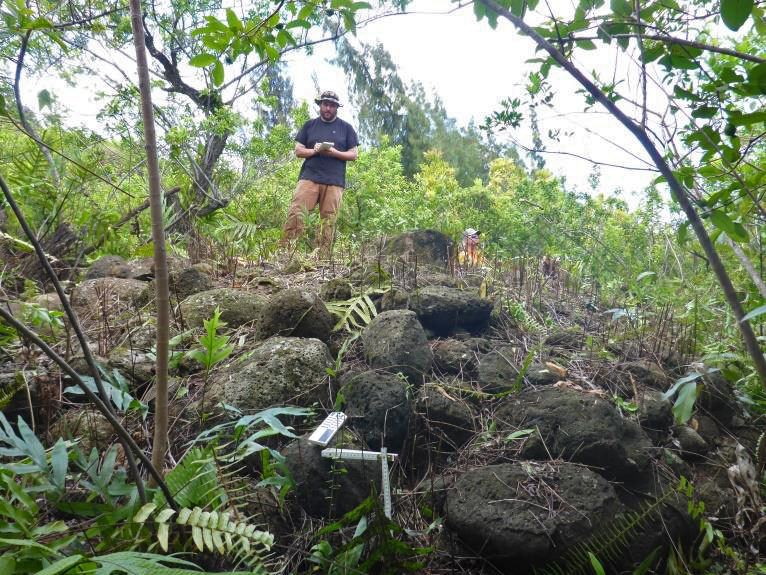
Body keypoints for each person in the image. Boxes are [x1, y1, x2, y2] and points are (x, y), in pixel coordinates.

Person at [281, 90, 359, 256]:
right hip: (309, 177)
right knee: (297, 213)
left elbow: (353, 154)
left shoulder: (346, 128)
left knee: (329, 222)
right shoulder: (309, 125)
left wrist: (334, 152)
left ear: (337, 107)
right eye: (325, 104)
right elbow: (298, 151)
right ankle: (285, 254)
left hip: (334, 181)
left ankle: (323, 260)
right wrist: (314, 150)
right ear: (320, 105)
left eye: (332, 105)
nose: (328, 108)